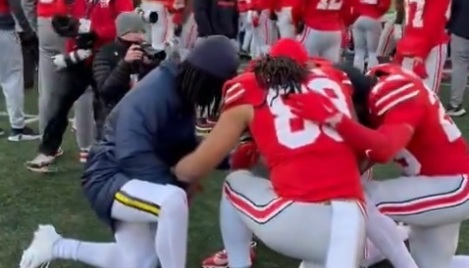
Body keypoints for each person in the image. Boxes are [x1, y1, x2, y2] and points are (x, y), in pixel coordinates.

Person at [19, 35, 239, 268]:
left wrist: (228, 158)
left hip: (128, 174)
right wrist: (175, 183)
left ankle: (55, 245)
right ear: (205, 78)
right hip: (110, 175)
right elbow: (131, 152)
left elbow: (181, 145)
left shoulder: (178, 89)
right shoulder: (157, 91)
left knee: (138, 261)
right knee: (173, 201)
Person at [174, 39, 366, 268]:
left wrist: (172, 169)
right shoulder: (334, 82)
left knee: (234, 182)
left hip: (301, 223)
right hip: (354, 223)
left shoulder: (250, 89)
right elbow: (361, 153)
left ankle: (238, 262)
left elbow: (197, 166)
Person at [287, 62, 469, 268]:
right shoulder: (373, 88)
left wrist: (334, 118)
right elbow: (364, 155)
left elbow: (384, 149)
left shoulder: (396, 92)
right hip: (438, 185)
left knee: (359, 199)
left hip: (453, 186)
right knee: (434, 265)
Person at [25, 0, 133, 172]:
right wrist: (70, 33)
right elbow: (73, 25)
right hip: (81, 57)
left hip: (105, 58)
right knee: (60, 103)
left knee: (105, 109)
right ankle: (47, 150)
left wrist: (93, 30)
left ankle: (106, 155)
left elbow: (126, 28)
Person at [92, 12, 162, 139]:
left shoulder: (142, 50)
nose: (142, 36)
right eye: (139, 31)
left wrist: (148, 65)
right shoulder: (105, 53)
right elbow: (105, 90)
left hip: (140, 116)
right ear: (128, 31)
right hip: (113, 118)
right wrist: (124, 64)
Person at [0, 0, 41, 140]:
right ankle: (18, 128)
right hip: (3, 27)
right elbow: (16, 5)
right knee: (12, 77)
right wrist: (28, 30)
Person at [394, 0, 451, 93]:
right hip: (431, 43)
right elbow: (433, 23)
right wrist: (421, 53)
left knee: (407, 91)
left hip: (410, 41)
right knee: (427, 94)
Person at [351, 0, 390, 72]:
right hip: (373, 19)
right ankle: (371, 74)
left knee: (359, 51)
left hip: (359, 20)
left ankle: (356, 73)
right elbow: (385, 6)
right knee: (373, 52)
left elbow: (353, 6)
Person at [446, 0, 469, 116]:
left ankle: (455, 105)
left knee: (459, 69)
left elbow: (451, 9)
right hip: (460, 30)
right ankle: (455, 105)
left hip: (461, 30)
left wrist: (448, 27)